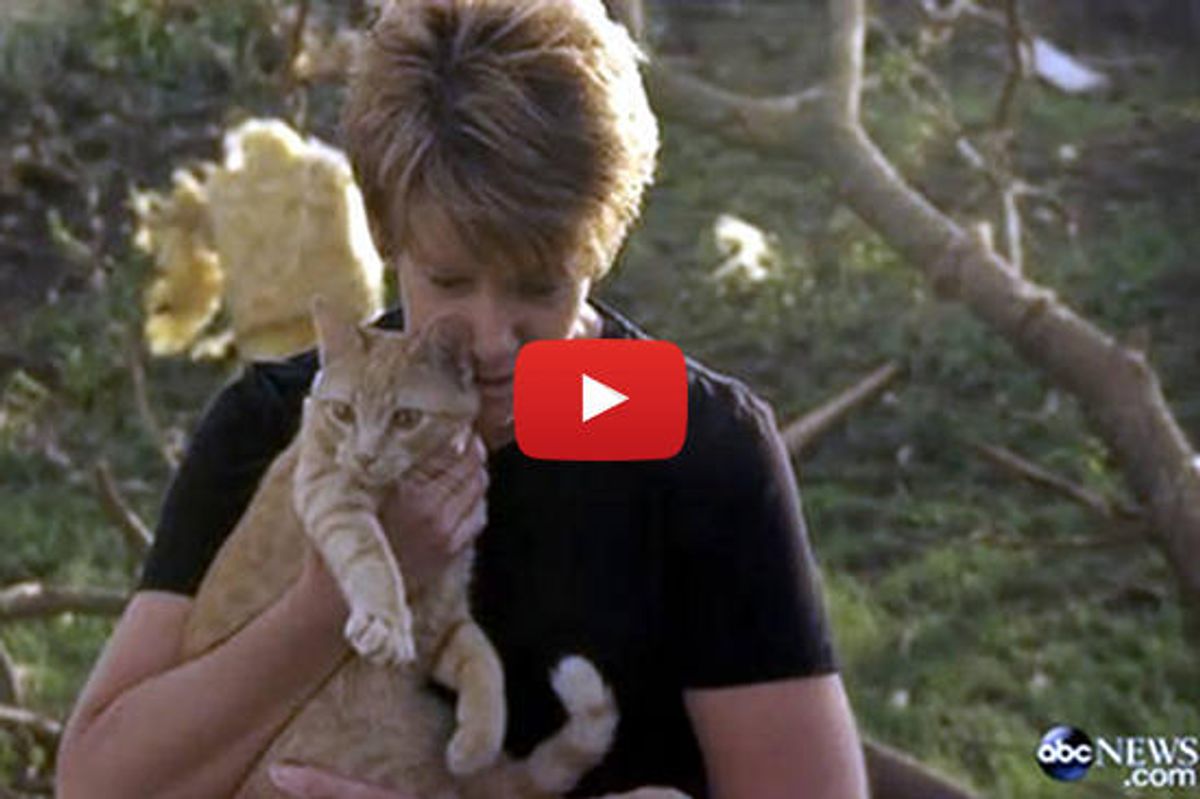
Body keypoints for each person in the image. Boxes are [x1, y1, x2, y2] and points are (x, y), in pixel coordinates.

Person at [56, 1, 870, 797]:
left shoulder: (684, 440)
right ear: (385, 232)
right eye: (447, 280)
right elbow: (98, 781)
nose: (490, 339)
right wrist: (337, 596)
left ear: (598, 245)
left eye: (538, 287)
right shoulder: (279, 419)